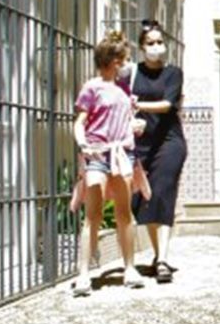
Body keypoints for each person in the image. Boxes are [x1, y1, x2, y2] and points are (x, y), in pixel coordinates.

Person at [73, 30, 143, 295]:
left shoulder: (125, 92)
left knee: (125, 213)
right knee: (94, 214)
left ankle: (130, 268)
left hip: (122, 155)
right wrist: (83, 144)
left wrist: (135, 125)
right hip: (98, 155)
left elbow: (126, 122)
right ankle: (83, 274)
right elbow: (80, 121)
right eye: (123, 59)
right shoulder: (91, 87)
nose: (126, 64)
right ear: (114, 61)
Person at [131, 20, 187, 284]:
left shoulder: (173, 73)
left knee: (163, 192)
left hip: (169, 142)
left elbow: (167, 105)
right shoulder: (131, 74)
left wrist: (137, 104)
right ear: (141, 47)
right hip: (140, 145)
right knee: (144, 200)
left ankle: (162, 259)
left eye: (159, 42)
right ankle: (157, 254)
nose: (156, 47)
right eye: (150, 43)